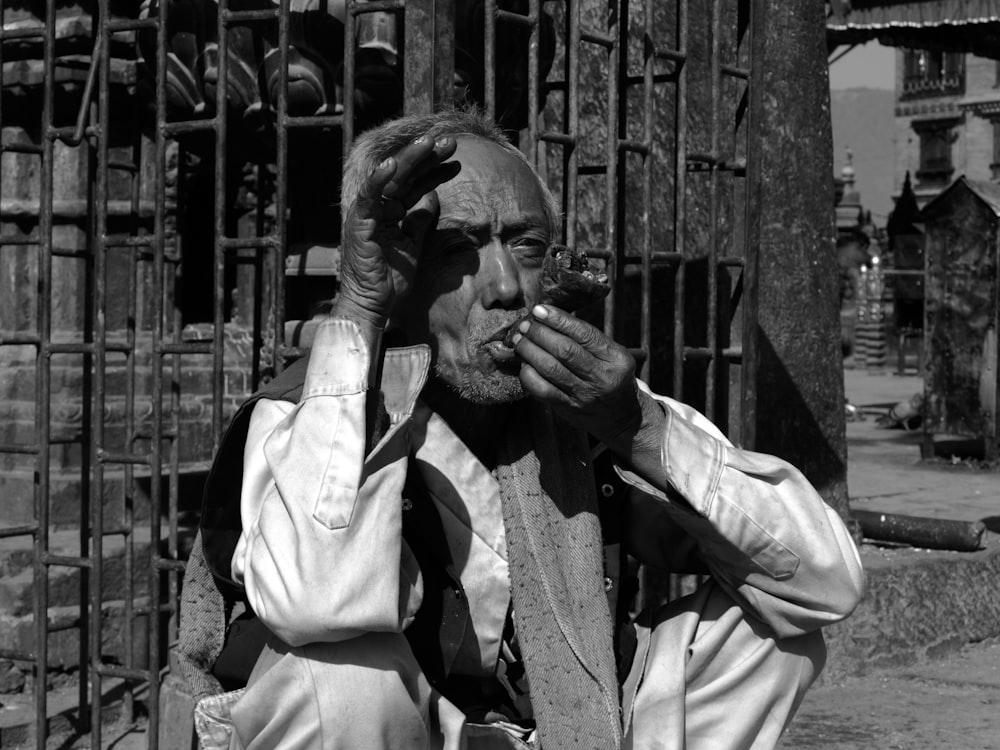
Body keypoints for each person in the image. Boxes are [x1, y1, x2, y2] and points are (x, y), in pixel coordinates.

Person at [195, 108, 864, 750]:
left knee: (780, 632)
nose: (508, 286)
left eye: (527, 245)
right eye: (458, 249)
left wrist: (640, 427)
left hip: (548, 729)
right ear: (392, 264)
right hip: (408, 731)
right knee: (339, 681)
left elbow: (824, 583)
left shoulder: (581, 412)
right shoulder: (307, 411)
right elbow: (317, 606)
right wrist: (362, 310)